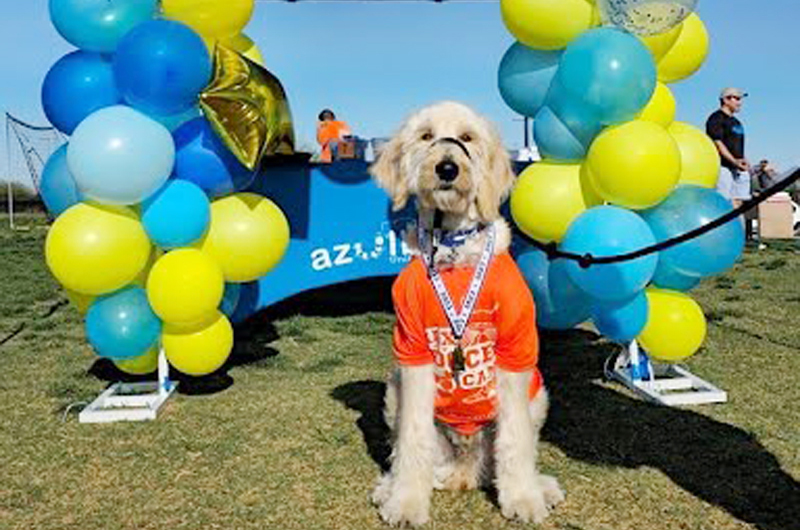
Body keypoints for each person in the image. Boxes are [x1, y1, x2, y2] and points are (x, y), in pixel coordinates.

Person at [706, 88, 750, 208]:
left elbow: (737, 145)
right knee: (723, 203)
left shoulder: (736, 122)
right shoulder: (716, 118)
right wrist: (734, 161)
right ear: (726, 100)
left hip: (739, 168)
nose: (740, 103)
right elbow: (718, 143)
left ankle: (738, 226)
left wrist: (743, 160)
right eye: (737, 99)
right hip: (723, 167)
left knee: (739, 202)